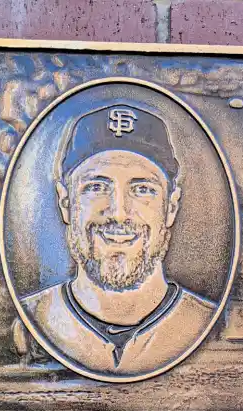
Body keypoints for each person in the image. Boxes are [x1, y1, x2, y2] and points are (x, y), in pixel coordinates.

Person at [16, 102, 216, 377]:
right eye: (96, 187)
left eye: (142, 189)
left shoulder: (209, 324)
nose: (119, 213)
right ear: (65, 203)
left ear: (171, 207)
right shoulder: (30, 322)